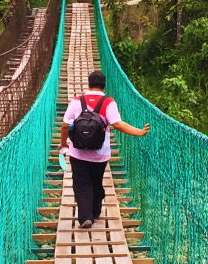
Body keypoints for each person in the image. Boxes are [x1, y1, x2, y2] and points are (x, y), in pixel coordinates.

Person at [59, 70, 149, 228]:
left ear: (89, 84)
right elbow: (118, 125)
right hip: (100, 154)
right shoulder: (109, 102)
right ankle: (95, 211)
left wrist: (63, 143)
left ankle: (86, 217)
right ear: (104, 85)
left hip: (78, 153)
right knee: (96, 182)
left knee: (81, 184)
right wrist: (139, 132)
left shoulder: (76, 101)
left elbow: (65, 126)